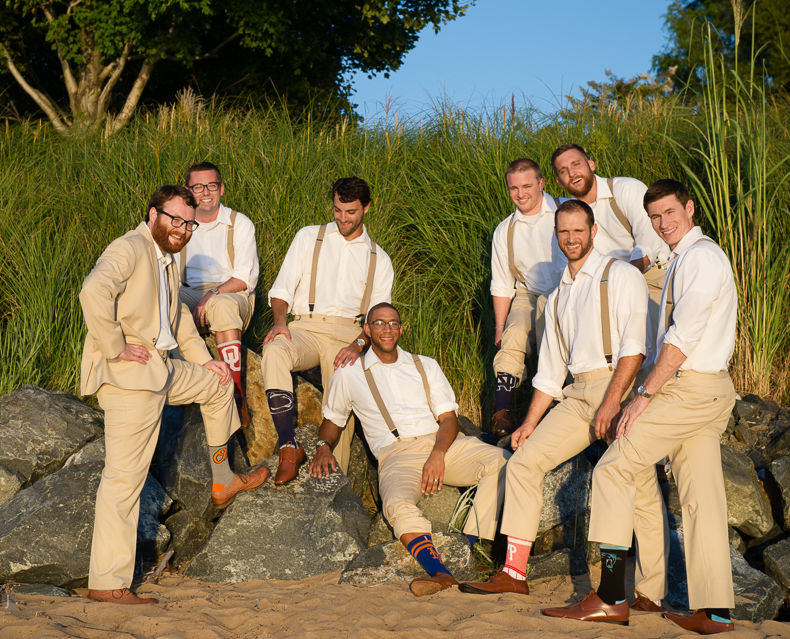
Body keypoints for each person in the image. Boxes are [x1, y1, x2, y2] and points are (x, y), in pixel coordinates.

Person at [543, 180, 738, 633]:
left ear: (690, 209)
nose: (663, 223)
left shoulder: (702, 257)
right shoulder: (685, 258)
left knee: (614, 468)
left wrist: (645, 394)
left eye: (670, 212)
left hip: (689, 389)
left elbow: (683, 337)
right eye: (655, 217)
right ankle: (715, 611)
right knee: (701, 498)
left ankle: (611, 596)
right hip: (706, 389)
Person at [460, 199, 668, 609]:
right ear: (556, 237)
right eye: (564, 232)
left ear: (593, 232)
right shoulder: (556, 298)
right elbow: (551, 375)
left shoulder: (620, 275)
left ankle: (650, 593)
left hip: (620, 386)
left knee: (639, 485)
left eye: (578, 230)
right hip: (577, 395)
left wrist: (612, 404)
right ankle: (514, 573)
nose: (571, 238)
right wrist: (529, 424)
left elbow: (635, 348)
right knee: (523, 462)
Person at [79, 185, 269, 605]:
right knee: (123, 481)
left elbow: (179, 316)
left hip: (163, 367)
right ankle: (107, 584)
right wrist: (114, 347)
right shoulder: (130, 247)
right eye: (175, 220)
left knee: (219, 387)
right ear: (153, 215)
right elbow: (92, 292)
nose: (182, 229)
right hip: (130, 375)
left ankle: (222, 479)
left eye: (189, 223)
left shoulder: (167, 256)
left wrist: (205, 362)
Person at [309, 302, 510, 596]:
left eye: (393, 323)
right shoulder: (349, 373)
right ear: (367, 330)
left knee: (503, 461)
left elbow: (449, 419)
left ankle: (465, 546)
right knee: (397, 505)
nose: (387, 328)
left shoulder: (425, 364)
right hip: (396, 453)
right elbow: (333, 419)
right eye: (379, 323)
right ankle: (440, 572)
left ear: (401, 329)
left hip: (441, 443)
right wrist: (323, 446)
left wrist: (438, 454)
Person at [262, 177, 393, 485]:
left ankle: (336, 483)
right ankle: (288, 446)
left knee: (344, 387)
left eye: (350, 212)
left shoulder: (379, 258)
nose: (343, 219)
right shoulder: (309, 237)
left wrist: (359, 344)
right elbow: (281, 289)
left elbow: (379, 317)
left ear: (366, 208)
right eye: (337, 210)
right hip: (305, 325)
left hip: (349, 334)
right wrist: (280, 321)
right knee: (274, 350)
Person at [550, 144, 670, 325]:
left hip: (650, 276)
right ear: (559, 181)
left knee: (648, 335)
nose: (572, 173)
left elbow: (648, 248)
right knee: (552, 307)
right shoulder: (566, 216)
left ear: (591, 165)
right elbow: (565, 267)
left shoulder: (627, 189)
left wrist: (615, 286)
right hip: (601, 286)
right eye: (564, 171)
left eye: (576, 164)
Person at [489, 158, 567, 439]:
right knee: (514, 331)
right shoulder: (504, 230)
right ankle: (502, 411)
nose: (520, 194)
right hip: (528, 291)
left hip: (567, 288)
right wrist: (500, 326)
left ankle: (556, 405)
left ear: (541, 183)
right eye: (513, 188)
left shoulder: (565, 210)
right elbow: (501, 283)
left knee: (550, 327)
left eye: (527, 186)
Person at [178, 161, 260, 427]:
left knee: (222, 305)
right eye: (198, 187)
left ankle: (235, 395)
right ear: (188, 191)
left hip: (231, 292)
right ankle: (171, 384)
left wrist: (209, 296)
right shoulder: (180, 224)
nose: (205, 192)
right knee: (165, 302)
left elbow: (244, 278)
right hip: (189, 291)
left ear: (221, 189)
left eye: (211, 185)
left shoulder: (240, 223)